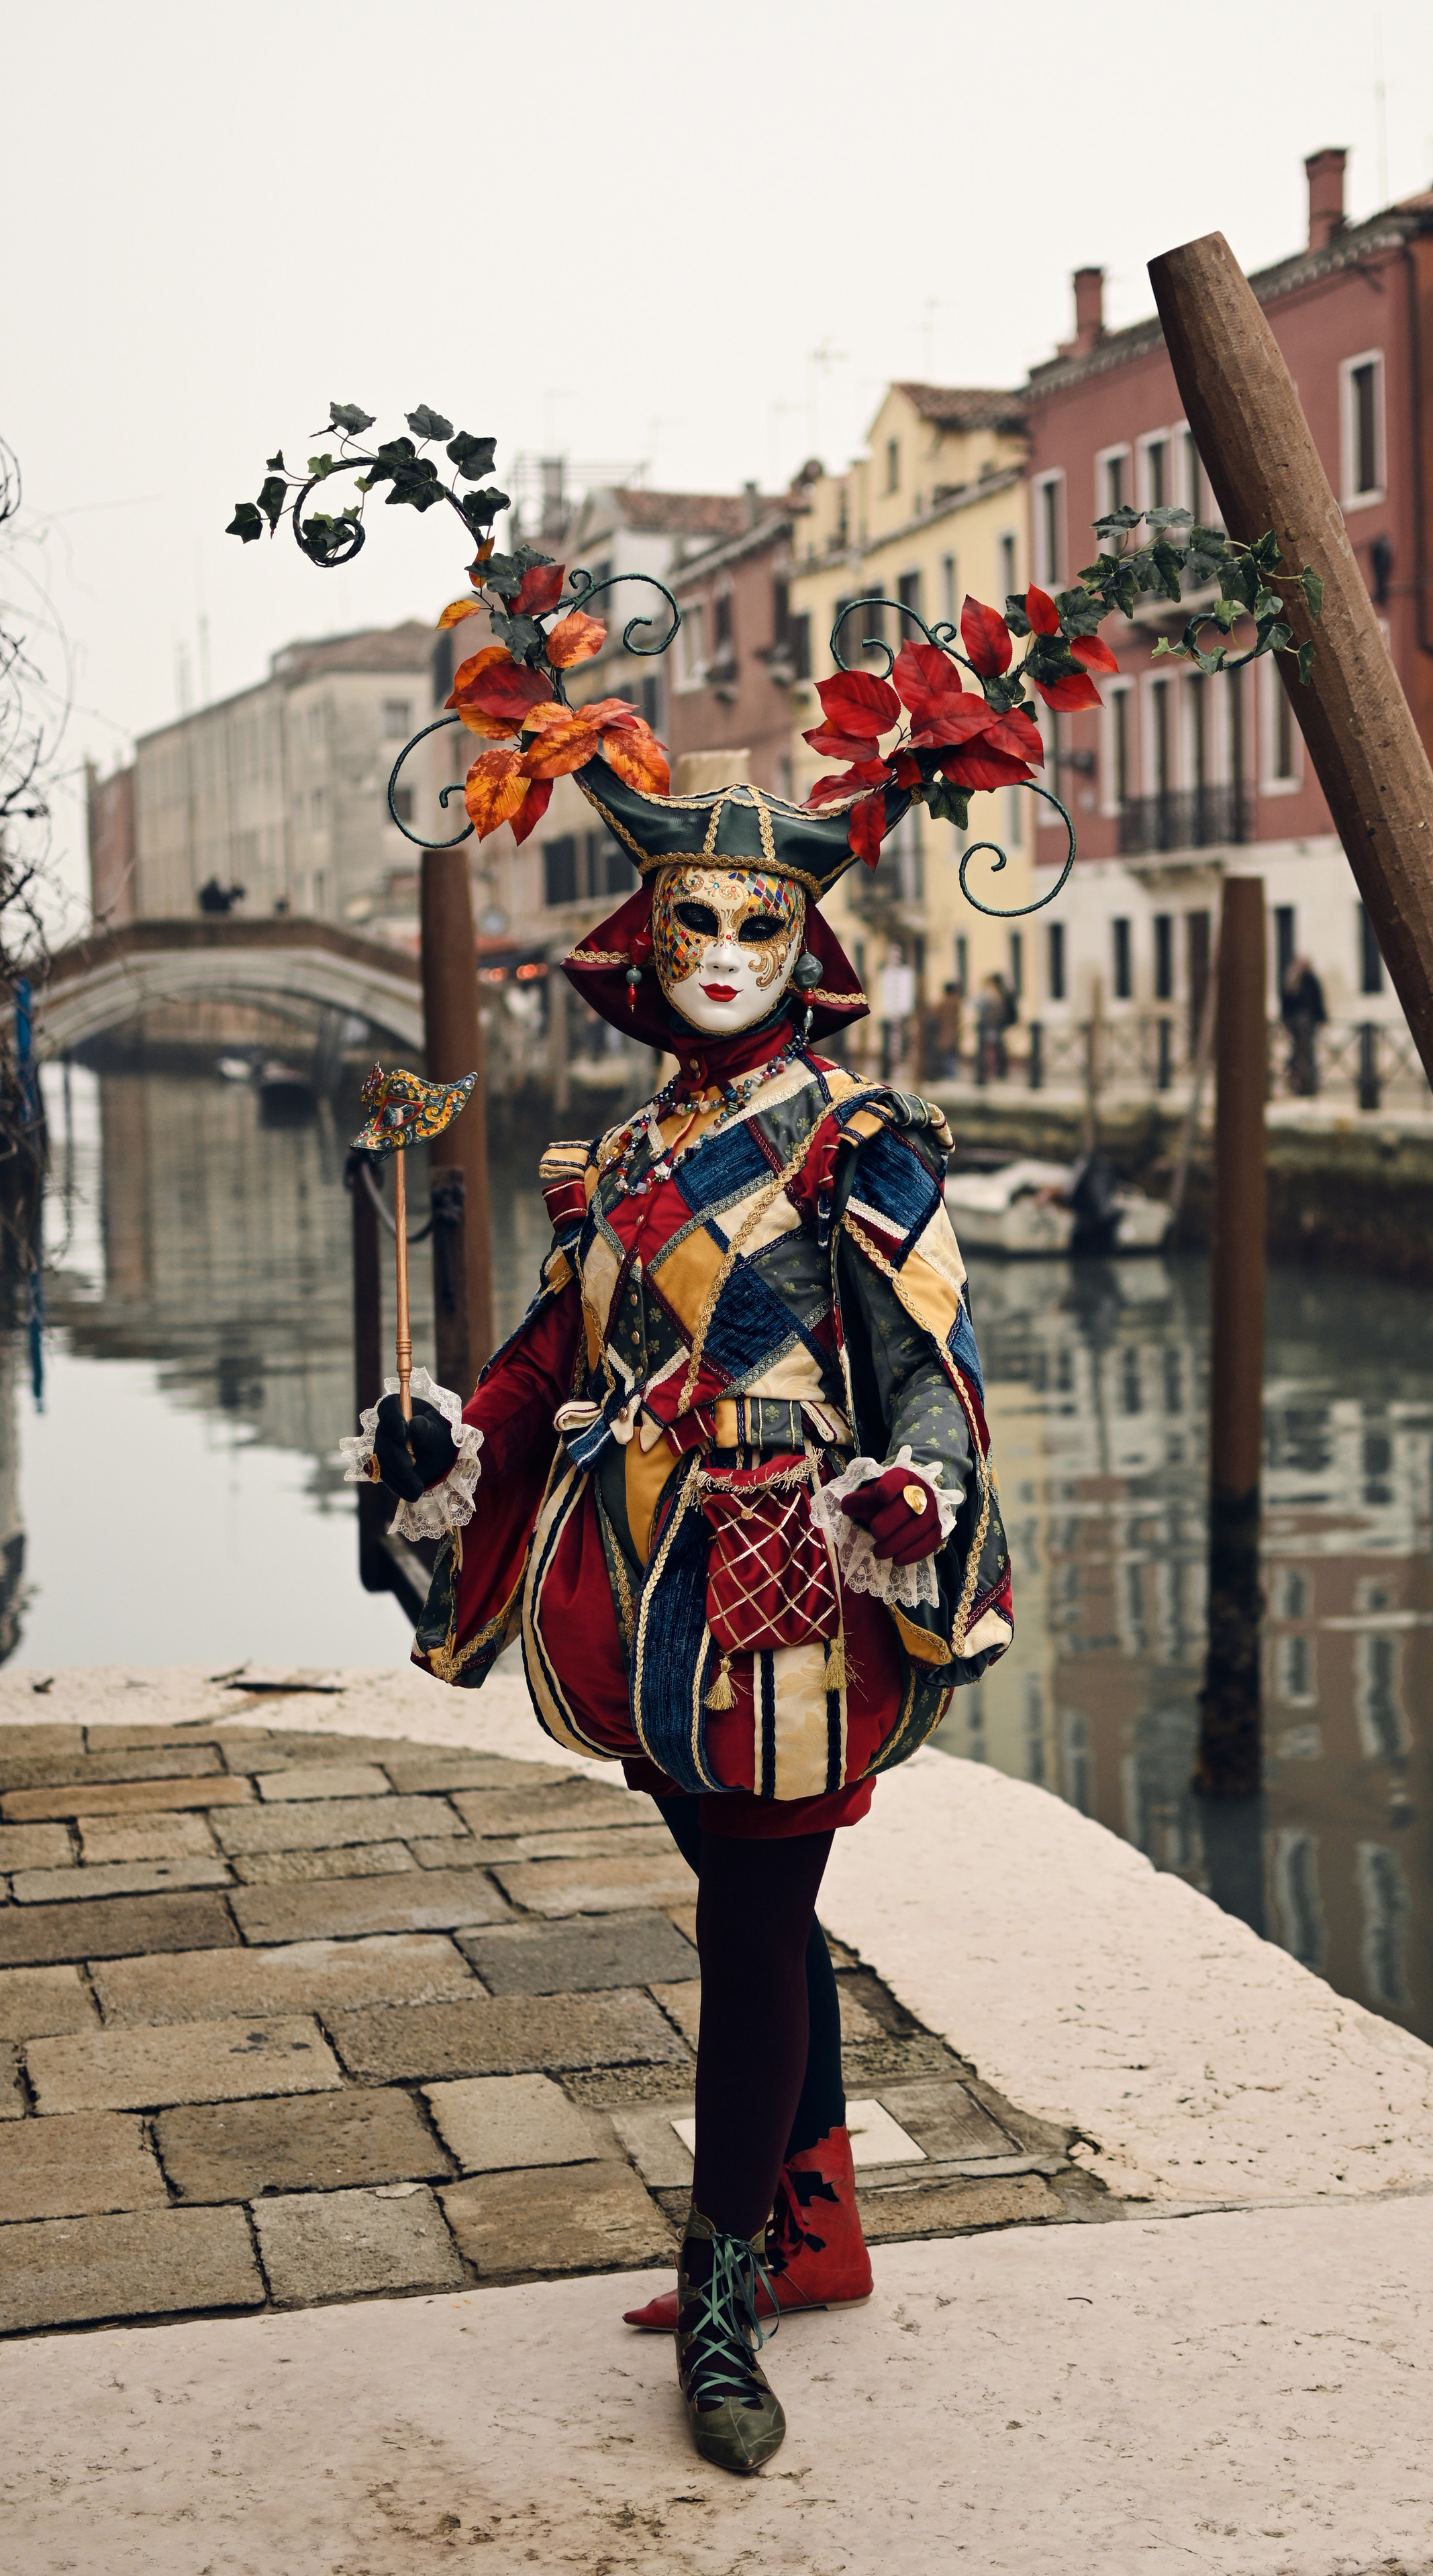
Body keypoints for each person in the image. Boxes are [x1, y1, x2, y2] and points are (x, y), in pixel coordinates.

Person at [344, 759, 1012, 2479]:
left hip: (789, 1578)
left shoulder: (855, 1141)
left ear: (806, 945)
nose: (721, 947)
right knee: (744, 1893)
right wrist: (453, 1429)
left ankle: (722, 2282)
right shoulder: (620, 1156)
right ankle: (816, 2224)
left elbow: (928, 1368)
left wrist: (917, 1495)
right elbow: (551, 1360)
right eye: (693, 920)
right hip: (637, 1584)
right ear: (643, 940)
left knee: (755, 1908)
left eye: (758, 922)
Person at [1281, 952, 1326, 1097]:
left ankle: (1302, 1083)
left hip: (1301, 1021)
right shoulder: (1297, 980)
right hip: (1302, 1022)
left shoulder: (1301, 979)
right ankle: (1305, 1084)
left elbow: (1316, 1000)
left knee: (1301, 1053)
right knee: (1304, 1053)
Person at [877, 941, 916, 1081]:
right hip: (889, 1016)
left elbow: (905, 994)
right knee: (889, 1046)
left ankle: (896, 1070)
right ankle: (889, 1071)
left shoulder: (904, 975)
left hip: (899, 1016)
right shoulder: (887, 974)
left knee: (898, 1044)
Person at [932, 980, 964, 1082]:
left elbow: (936, 1017)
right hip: (952, 1031)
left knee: (946, 1053)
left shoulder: (942, 1003)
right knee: (951, 1053)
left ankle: (949, 1074)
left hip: (944, 1032)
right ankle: (951, 1073)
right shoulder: (955, 1002)